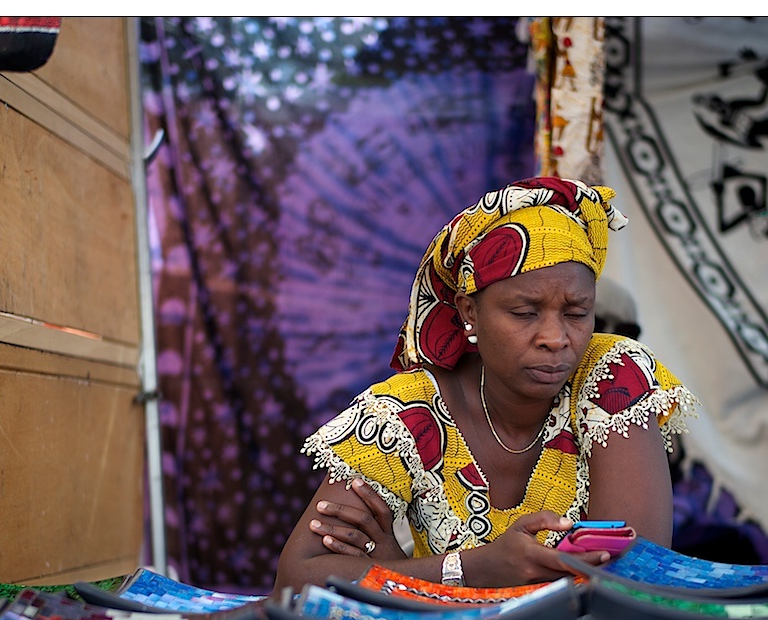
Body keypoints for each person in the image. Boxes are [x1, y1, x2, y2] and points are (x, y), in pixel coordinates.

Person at [273, 177, 699, 595]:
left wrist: (405, 575)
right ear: (469, 312)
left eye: (576, 313)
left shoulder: (612, 376)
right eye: (524, 312)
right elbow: (298, 579)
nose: (555, 338)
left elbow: (633, 581)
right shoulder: (406, 415)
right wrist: (474, 568)